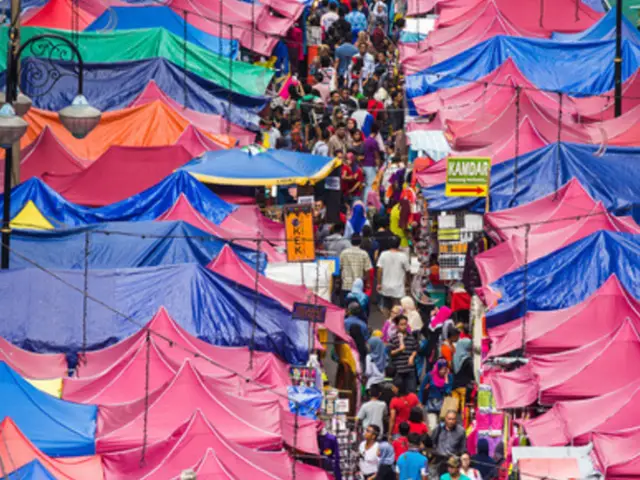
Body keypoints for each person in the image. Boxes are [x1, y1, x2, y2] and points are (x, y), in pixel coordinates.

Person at [377, 235, 410, 313]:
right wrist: (408, 283)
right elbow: (408, 271)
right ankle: (396, 323)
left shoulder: (383, 254)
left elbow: (379, 270)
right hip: (399, 288)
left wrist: (379, 283)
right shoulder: (403, 256)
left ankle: (388, 322)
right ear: (398, 244)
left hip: (386, 286)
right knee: (399, 308)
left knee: (386, 307)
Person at [339, 234, 372, 305]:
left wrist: (339, 281)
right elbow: (367, 270)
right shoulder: (364, 253)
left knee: (345, 307)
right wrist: (368, 283)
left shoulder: (344, 253)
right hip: (358, 286)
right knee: (357, 307)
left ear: (351, 241)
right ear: (360, 242)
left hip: (346, 285)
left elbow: (340, 268)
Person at [431, 411, 467, 475]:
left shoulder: (461, 431)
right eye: (449, 419)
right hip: (440, 459)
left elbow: (463, 448)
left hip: (453, 460)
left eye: (453, 419)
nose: (451, 421)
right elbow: (432, 441)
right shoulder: (438, 428)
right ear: (445, 419)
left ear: (456, 420)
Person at [389, 315, 418, 393]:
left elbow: (415, 349)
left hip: (410, 370)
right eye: (401, 324)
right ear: (397, 326)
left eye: (405, 324)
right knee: (398, 394)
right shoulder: (393, 338)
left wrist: (412, 356)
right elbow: (390, 353)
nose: (404, 326)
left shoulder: (411, 337)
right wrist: (399, 349)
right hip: (399, 371)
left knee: (411, 393)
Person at [421, 359, 453, 429]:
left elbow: (447, 391)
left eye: (444, 369)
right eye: (441, 369)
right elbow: (422, 388)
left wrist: (446, 378)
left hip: (444, 406)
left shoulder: (450, 377)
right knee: (433, 427)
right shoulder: (430, 375)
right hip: (431, 405)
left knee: (443, 427)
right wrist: (420, 402)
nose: (443, 371)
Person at [452, 338, 474, 413]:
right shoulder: (467, 360)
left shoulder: (455, 356)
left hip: (455, 385)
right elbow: (472, 374)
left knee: (454, 408)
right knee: (464, 410)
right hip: (464, 387)